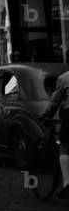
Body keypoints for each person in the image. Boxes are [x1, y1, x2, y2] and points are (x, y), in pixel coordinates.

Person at [41, 68, 69, 199]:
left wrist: (45, 115)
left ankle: (67, 183)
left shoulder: (64, 78)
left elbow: (54, 102)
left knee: (64, 146)